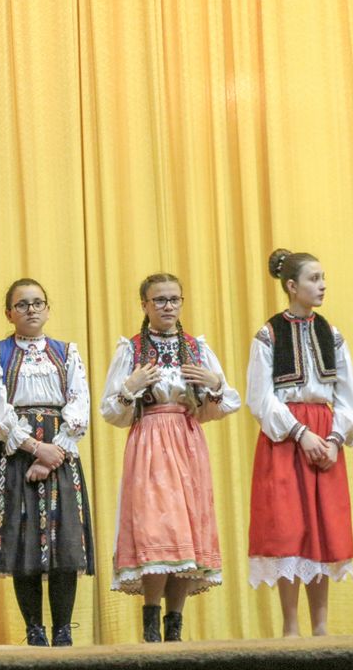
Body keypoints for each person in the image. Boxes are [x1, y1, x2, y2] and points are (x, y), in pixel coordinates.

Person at [100, 273, 240, 642]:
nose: (167, 306)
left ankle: (174, 627)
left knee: (187, 533)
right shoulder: (131, 350)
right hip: (149, 439)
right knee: (156, 528)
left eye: (174, 299)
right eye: (159, 300)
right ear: (144, 305)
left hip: (187, 440)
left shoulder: (196, 349)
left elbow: (222, 406)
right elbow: (111, 412)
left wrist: (214, 384)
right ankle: (150, 625)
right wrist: (129, 389)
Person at [247, 249, 353, 637]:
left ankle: (322, 626)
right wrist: (300, 433)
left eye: (323, 277)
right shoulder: (269, 335)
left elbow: (347, 393)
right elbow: (260, 398)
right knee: (288, 526)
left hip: (325, 437)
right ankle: (291, 626)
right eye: (314, 278)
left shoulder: (332, 334)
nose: (322, 285)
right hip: (286, 436)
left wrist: (334, 439)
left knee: (322, 525)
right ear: (292, 286)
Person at [0, 279, 94, 647]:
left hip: (60, 449)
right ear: (8, 313)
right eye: (22, 304)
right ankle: (34, 630)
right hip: (13, 452)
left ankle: (63, 630)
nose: (31, 310)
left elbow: (79, 403)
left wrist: (54, 452)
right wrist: (33, 447)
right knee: (22, 540)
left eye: (37, 303)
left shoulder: (67, 352)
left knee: (64, 541)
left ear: (47, 309)